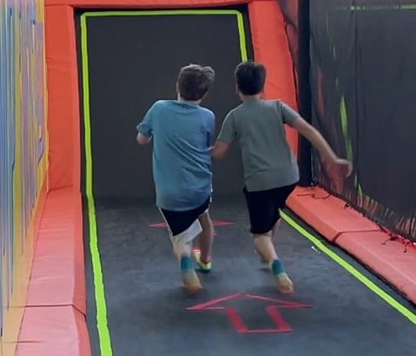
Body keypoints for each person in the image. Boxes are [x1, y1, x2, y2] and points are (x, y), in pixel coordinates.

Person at [212, 60, 352, 293]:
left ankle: (278, 268)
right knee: (273, 212)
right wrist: (332, 157)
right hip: (288, 177)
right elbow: (308, 130)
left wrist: (195, 150)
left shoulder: (235, 117)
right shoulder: (277, 106)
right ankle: (269, 253)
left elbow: (219, 152)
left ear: (238, 88)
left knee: (259, 235)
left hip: (259, 182)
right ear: (263, 86)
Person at [136, 63, 216, 294]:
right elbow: (206, 143)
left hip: (170, 193)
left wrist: (153, 135)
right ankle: (206, 260)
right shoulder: (207, 116)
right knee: (205, 218)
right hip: (200, 189)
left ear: (177, 86)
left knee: (181, 237)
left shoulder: (159, 109)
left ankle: (186, 263)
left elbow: (142, 139)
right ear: (204, 93)